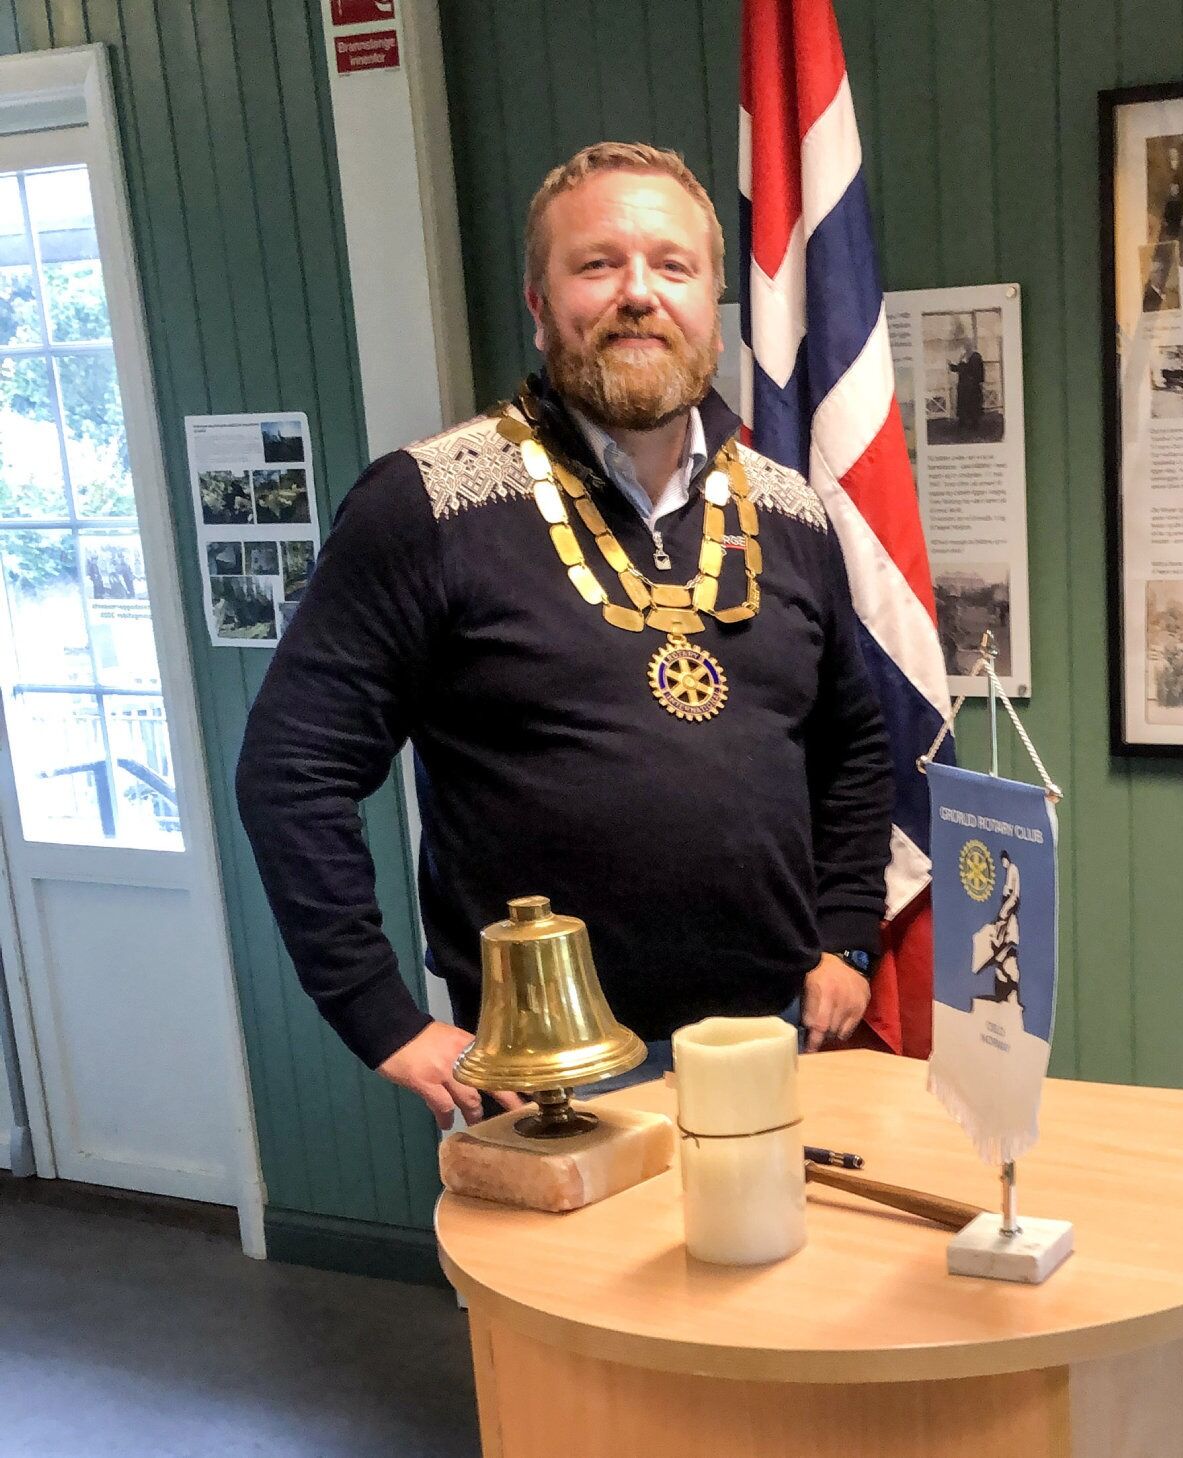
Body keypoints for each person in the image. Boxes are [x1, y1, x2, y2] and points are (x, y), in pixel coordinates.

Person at [237, 142, 891, 1129]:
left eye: (671, 267)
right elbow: (290, 771)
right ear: (540, 304)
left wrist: (844, 937)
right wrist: (381, 1017)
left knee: (784, 1283)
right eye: (597, 264)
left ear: (712, 302)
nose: (638, 293)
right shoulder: (422, 505)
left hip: (775, 1037)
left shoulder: (792, 514)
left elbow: (853, 748)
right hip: (549, 1072)